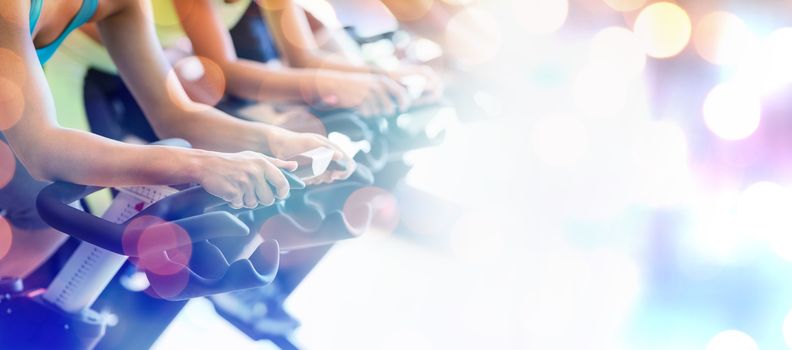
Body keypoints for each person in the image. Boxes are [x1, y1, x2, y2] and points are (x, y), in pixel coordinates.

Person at [0, 0, 354, 278]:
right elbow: (42, 149)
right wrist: (201, 164)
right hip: (36, 112)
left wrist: (277, 142)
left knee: (46, 223)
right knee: (50, 209)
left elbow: (175, 114)